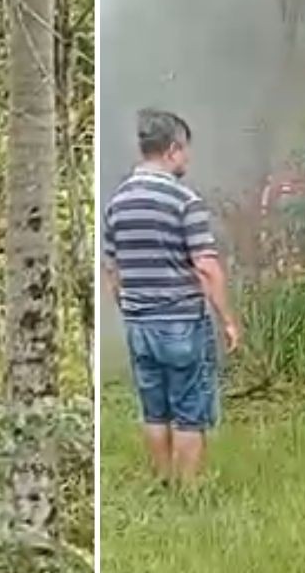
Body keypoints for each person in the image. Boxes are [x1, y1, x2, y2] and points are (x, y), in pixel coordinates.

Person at [103, 108, 241, 483]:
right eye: (185, 151)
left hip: (138, 324)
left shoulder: (117, 202)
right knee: (189, 410)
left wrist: (128, 309)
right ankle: (188, 490)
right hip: (180, 321)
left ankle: (163, 481)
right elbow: (207, 266)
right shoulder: (184, 200)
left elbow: (112, 270)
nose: (187, 159)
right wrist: (227, 319)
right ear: (173, 150)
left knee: (154, 409)